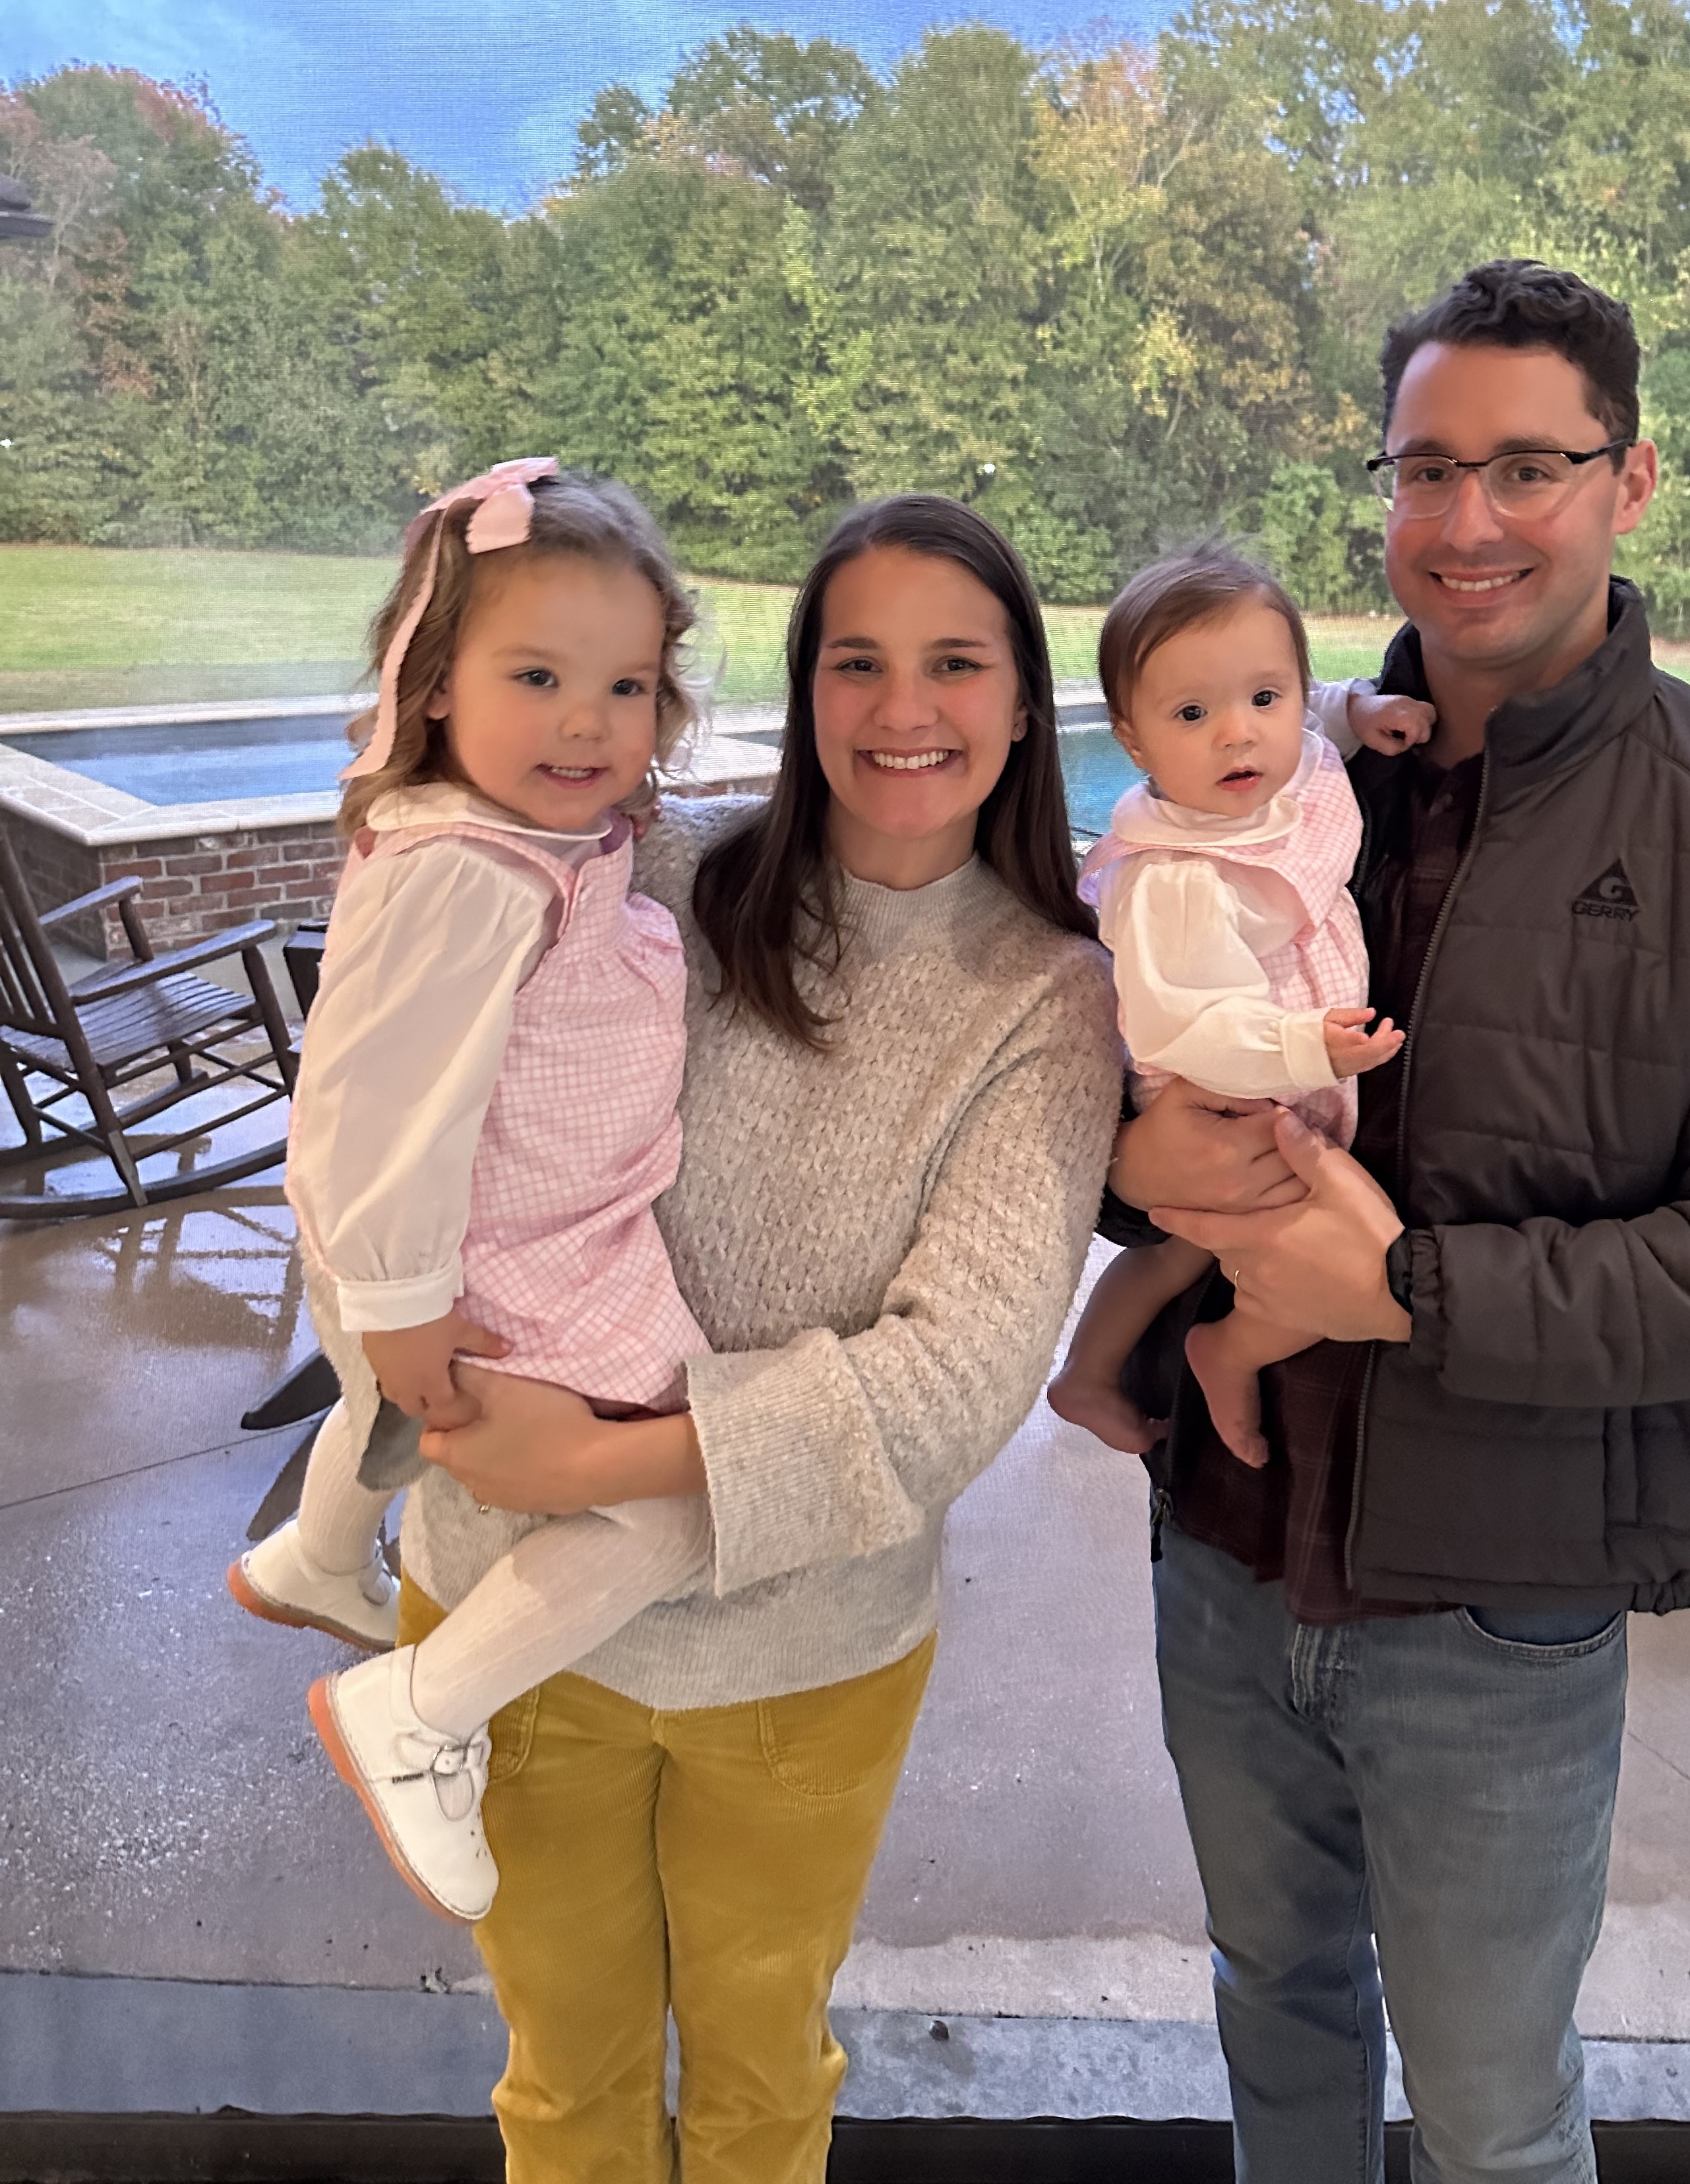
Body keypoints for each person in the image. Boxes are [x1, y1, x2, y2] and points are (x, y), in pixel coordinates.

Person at [1104, 260, 1690, 2183]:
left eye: (1529, 465)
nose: (1468, 522)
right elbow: (1085, 1050)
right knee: (1275, 2016)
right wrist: (1118, 1171)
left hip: (1501, 1603)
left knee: (1490, 2113)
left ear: (1631, 480)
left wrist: (1402, 1291)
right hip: (1222, 1553)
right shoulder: (1268, 783)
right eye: (1426, 467)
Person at [400, 493, 1123, 2183]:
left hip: (797, 1657)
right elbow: (409, 1075)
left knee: (756, 2092)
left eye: (956, 664)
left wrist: (606, 1458)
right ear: (803, 694)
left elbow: (950, 1384)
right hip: (512, 1621)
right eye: (855, 662)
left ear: (1024, 704)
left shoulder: (1047, 1001)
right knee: (562, 2085)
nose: (902, 710)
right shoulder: (655, 875)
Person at [227, 459, 714, 1925]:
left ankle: (313, 1554)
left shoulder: (523, 843)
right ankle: (420, 1712)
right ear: (435, 680)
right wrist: (399, 1302)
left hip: (515, 1231)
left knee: (392, 1408)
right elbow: (373, 1103)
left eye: (626, 687)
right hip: (517, 1252)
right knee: (681, 1505)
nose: (588, 721)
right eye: (539, 674)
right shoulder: (473, 874)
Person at [1047, 546, 1432, 1465]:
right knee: (1285, 1244)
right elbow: (1191, 1027)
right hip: (1222, 1082)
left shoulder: (1288, 766)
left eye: (1266, 698)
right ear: (1132, 740)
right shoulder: (1174, 875)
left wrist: (1359, 710)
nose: (1240, 735)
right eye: (1192, 713)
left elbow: (1313, 712)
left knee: (1188, 1249)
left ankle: (1088, 1373)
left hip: (1285, 1057)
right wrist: (1307, 1047)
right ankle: (1217, 1353)